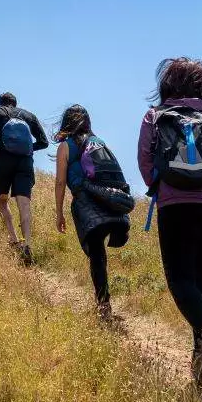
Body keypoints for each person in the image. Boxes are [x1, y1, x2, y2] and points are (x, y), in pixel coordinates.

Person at [138, 57, 202, 391]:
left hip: (177, 205)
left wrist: (164, 185)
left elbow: (146, 161)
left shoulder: (155, 116)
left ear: (166, 84)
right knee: (201, 280)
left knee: (181, 281)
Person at [54, 104, 133, 322]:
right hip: (110, 201)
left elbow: (61, 182)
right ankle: (104, 302)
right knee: (99, 254)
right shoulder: (98, 142)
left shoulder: (65, 147)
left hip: (87, 205)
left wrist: (59, 213)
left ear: (66, 123)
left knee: (96, 255)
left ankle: (104, 305)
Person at [0, 92, 49, 264]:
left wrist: (2, 148)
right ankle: (27, 244)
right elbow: (44, 142)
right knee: (24, 204)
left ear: (1, 103)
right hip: (25, 163)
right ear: (16, 103)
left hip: (5, 162)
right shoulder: (29, 116)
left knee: (2, 200)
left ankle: (13, 239)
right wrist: (28, 149)